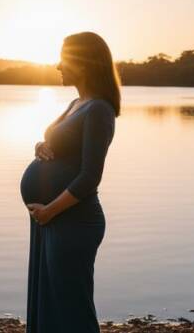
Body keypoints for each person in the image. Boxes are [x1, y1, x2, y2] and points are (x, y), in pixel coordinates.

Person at [20, 31, 121, 332]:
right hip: (50, 219)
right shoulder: (77, 103)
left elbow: (90, 176)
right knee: (50, 303)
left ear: (84, 63)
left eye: (64, 58)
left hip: (73, 221)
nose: (58, 65)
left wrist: (50, 210)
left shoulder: (99, 109)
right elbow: (62, 144)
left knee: (72, 308)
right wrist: (41, 146)